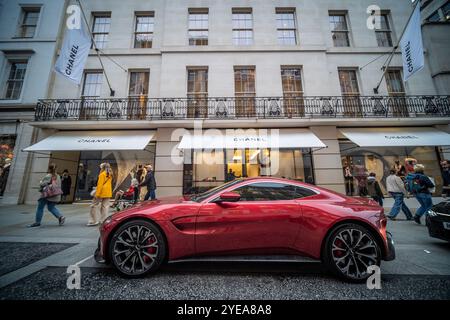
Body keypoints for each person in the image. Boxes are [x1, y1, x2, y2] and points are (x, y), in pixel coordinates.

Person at [27, 163, 66, 227]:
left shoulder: (48, 176)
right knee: (51, 207)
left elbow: (43, 184)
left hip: (47, 194)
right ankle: (60, 217)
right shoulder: (58, 176)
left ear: (49, 169)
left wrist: (40, 182)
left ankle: (37, 222)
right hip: (55, 195)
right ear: (56, 169)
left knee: (40, 207)